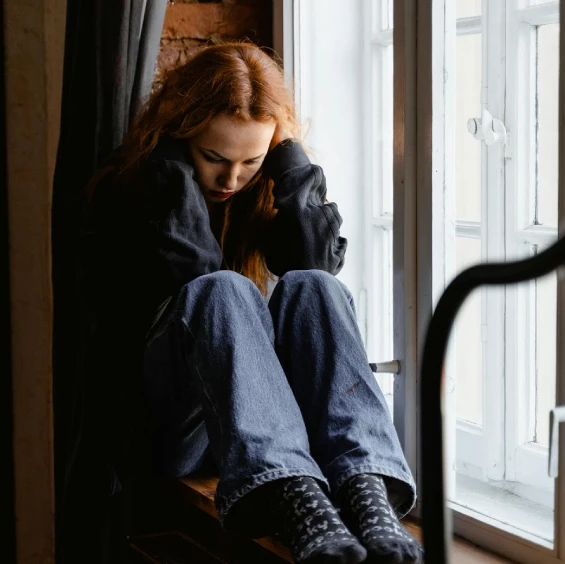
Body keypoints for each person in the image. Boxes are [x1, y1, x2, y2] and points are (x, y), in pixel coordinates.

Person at [81, 42, 422, 564]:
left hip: (253, 430)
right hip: (171, 434)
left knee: (316, 287)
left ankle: (367, 494)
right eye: (213, 157)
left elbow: (316, 263)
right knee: (223, 289)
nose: (232, 180)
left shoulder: (260, 187)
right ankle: (298, 503)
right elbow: (198, 279)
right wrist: (172, 167)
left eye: (252, 160)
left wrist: (289, 163)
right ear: (180, 134)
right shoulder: (134, 191)